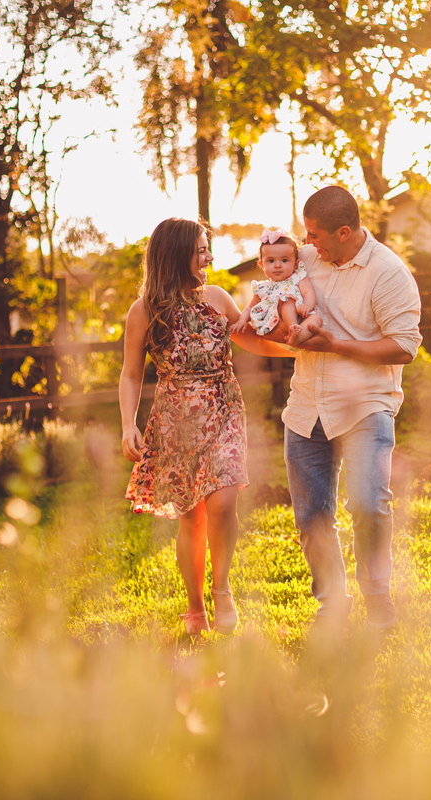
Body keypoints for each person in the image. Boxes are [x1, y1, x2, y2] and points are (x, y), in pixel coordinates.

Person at [119, 217, 290, 636]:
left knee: (223, 503)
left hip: (223, 409)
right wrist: (128, 425)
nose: (210, 256)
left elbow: (248, 338)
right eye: (201, 249)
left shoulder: (216, 297)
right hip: (176, 421)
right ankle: (195, 608)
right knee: (191, 517)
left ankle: (221, 589)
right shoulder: (143, 312)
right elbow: (130, 374)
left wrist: (299, 352)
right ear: (177, 255)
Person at [280, 186, 422, 633]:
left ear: (345, 231)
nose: (309, 244)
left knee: (367, 503)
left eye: (317, 235)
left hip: (366, 405)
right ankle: (332, 604)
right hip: (306, 405)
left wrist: (336, 345)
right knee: (312, 516)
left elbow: (403, 346)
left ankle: (377, 598)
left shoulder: (388, 273)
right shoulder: (305, 260)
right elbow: (272, 294)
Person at [229, 228, 321, 345]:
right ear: (262, 265)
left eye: (284, 260)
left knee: (317, 319)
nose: (277, 265)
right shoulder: (262, 288)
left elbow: (308, 292)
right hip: (274, 323)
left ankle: (296, 336)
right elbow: (250, 307)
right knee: (286, 302)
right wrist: (242, 320)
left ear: (295, 264)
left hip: (300, 316)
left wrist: (307, 305)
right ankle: (292, 329)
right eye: (271, 261)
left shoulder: (297, 277)